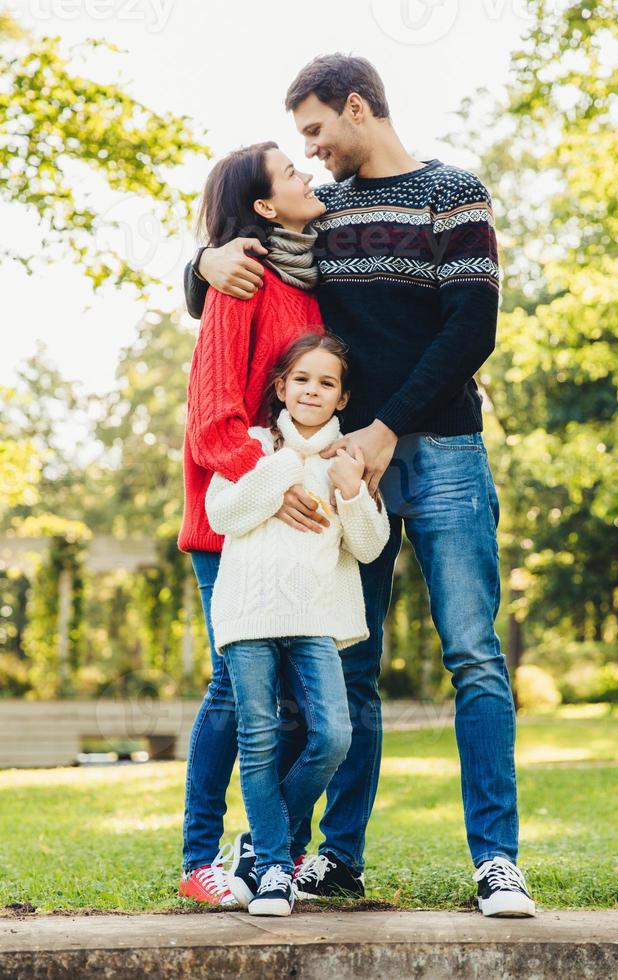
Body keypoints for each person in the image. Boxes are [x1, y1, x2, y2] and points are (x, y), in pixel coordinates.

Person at [184, 53, 536, 917]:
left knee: (473, 656)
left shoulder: (452, 192)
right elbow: (233, 270)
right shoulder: (325, 212)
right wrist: (203, 256)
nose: (310, 150)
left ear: (354, 108)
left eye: (314, 130)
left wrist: (383, 430)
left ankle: (495, 861)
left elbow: (472, 325)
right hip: (345, 470)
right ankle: (331, 857)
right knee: (351, 662)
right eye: (298, 141)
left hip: (439, 451)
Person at [177, 140, 336, 907]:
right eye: (292, 171)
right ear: (265, 207)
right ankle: (198, 858)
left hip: (297, 529)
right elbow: (212, 422)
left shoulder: (305, 288)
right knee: (232, 692)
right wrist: (276, 486)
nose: (309, 174)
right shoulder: (241, 280)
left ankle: (267, 851)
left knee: (307, 710)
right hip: (231, 520)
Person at [204, 333, 390, 915]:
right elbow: (224, 513)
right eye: (302, 379)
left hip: (314, 619)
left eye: (326, 383)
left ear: (342, 398)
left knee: (333, 736)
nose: (313, 390)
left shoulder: (347, 462)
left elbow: (368, 547)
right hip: (249, 613)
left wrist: (353, 491)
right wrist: (286, 462)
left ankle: (259, 847)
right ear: (282, 387)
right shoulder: (254, 445)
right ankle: (278, 872)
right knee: (258, 742)